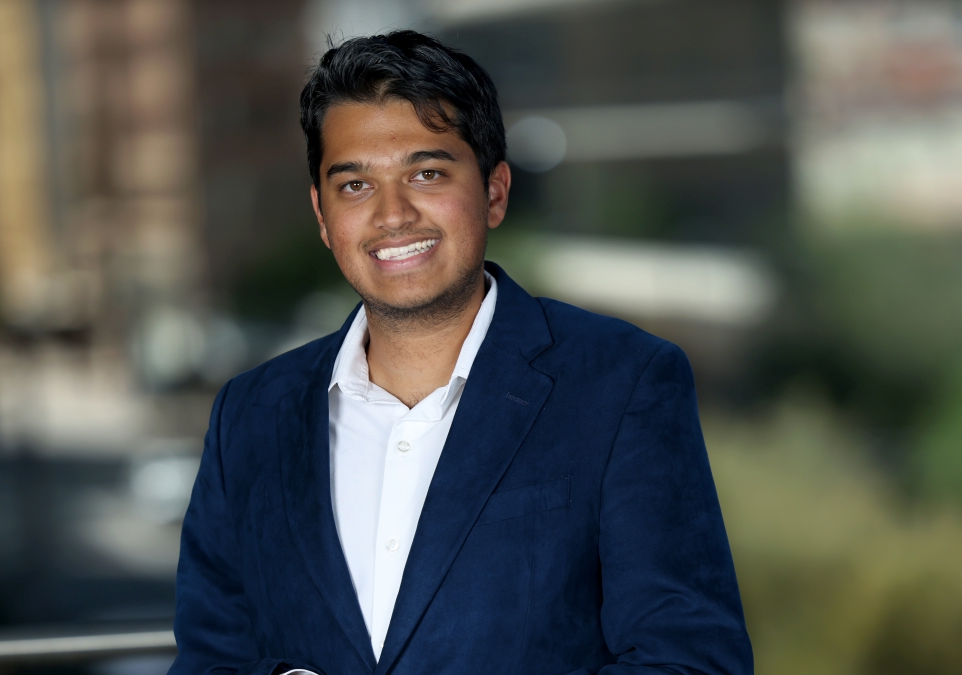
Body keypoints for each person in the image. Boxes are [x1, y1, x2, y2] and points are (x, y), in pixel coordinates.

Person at [169, 30, 752, 675]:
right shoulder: (249, 414)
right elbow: (208, 661)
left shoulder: (623, 383)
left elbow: (692, 660)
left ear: (494, 192)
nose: (393, 214)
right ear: (322, 216)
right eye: (355, 185)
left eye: (426, 174)